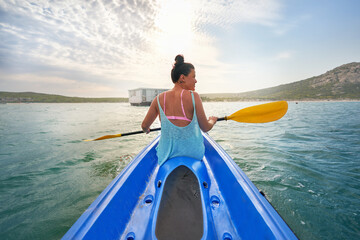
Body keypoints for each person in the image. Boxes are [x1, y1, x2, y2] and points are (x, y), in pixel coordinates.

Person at [142, 55, 217, 165]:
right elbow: (205, 128)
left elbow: (144, 126)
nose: (196, 81)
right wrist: (212, 120)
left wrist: (146, 129)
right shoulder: (194, 96)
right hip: (193, 154)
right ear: (182, 78)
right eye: (193, 76)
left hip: (166, 156)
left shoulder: (158, 99)